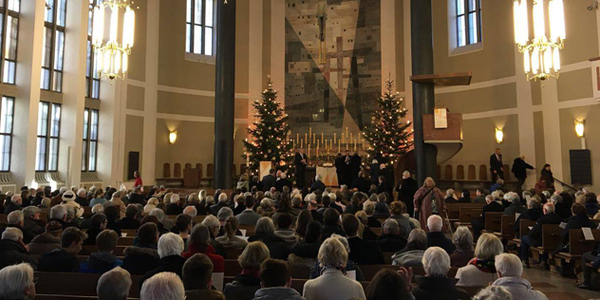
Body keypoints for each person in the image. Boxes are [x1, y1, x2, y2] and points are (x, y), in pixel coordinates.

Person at [520, 203, 561, 268]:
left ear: (545, 210)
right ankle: (543, 260)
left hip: (541, 242)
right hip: (555, 241)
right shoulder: (559, 219)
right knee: (545, 239)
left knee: (524, 238)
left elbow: (533, 233)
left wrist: (531, 231)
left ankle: (525, 260)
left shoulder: (542, 220)